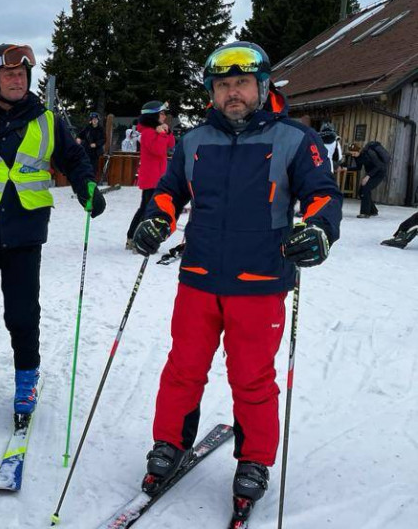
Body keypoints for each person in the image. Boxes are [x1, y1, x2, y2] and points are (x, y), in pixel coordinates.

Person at [130, 41, 342, 519]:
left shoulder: (295, 140)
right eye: (223, 85)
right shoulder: (192, 140)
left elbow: (323, 196)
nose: (233, 93)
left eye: (241, 83)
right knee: (183, 368)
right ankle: (168, 443)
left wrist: (318, 230)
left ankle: (254, 461)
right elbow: (167, 191)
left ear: (262, 86)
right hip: (199, 277)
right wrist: (156, 220)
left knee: (252, 379)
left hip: (261, 281)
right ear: (213, 92)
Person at [0, 43, 105, 425]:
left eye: (23, 74)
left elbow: (75, 159)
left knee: (23, 314)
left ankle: (26, 380)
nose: (17, 79)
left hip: (25, 234)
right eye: (9, 74)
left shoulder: (48, 120)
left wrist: (86, 187)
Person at [126, 101, 175, 250]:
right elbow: (158, 150)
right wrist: (160, 134)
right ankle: (132, 237)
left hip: (159, 177)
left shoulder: (155, 131)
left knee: (150, 209)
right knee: (146, 209)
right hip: (151, 178)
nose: (164, 116)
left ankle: (139, 237)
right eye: (161, 113)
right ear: (153, 115)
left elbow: (171, 144)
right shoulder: (147, 132)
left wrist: (168, 132)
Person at [355, 140, 390, 218]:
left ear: (359, 151)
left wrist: (367, 176)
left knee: (365, 189)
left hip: (379, 173)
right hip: (371, 173)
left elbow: (378, 166)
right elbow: (358, 167)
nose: (353, 155)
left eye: (354, 153)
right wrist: (345, 168)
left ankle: (365, 213)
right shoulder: (356, 156)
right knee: (361, 192)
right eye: (352, 153)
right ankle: (373, 211)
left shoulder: (369, 153)